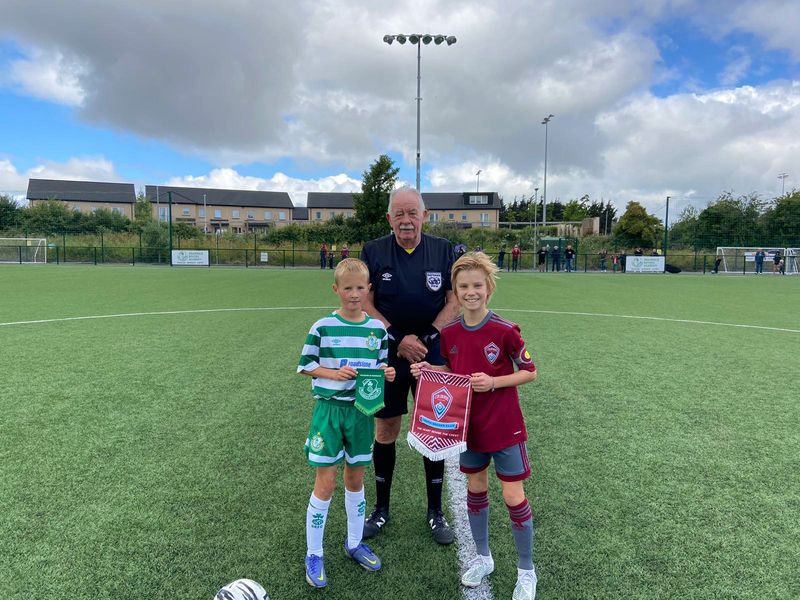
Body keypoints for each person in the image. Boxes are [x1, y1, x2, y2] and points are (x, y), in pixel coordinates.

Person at [410, 252, 538, 600]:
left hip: (505, 426)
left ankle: (527, 571)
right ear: (455, 290)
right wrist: (427, 374)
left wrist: (495, 383)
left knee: (513, 496)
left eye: (477, 285)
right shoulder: (450, 334)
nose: (470, 292)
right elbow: (453, 376)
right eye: (463, 286)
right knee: (476, 490)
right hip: (469, 428)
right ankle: (483, 558)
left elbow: (530, 371)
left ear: (488, 288)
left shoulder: (505, 330)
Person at [360, 186, 461, 545]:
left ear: (425, 214)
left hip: (432, 352)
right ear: (389, 218)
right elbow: (366, 302)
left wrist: (429, 337)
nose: (406, 220)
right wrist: (398, 338)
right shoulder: (373, 251)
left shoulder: (444, 250)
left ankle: (435, 511)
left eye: (412, 212)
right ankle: (381, 508)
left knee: (434, 427)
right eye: (399, 214)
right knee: (385, 428)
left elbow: (455, 300)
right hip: (387, 351)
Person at [297, 258, 397, 588]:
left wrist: (388, 373)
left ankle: (354, 543)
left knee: (356, 478)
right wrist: (333, 373)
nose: (354, 294)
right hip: (329, 412)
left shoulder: (377, 330)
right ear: (336, 289)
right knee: (325, 482)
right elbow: (306, 365)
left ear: (368, 290)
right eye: (347, 288)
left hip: (361, 414)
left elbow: (379, 369)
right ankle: (314, 553)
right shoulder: (322, 327)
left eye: (359, 288)